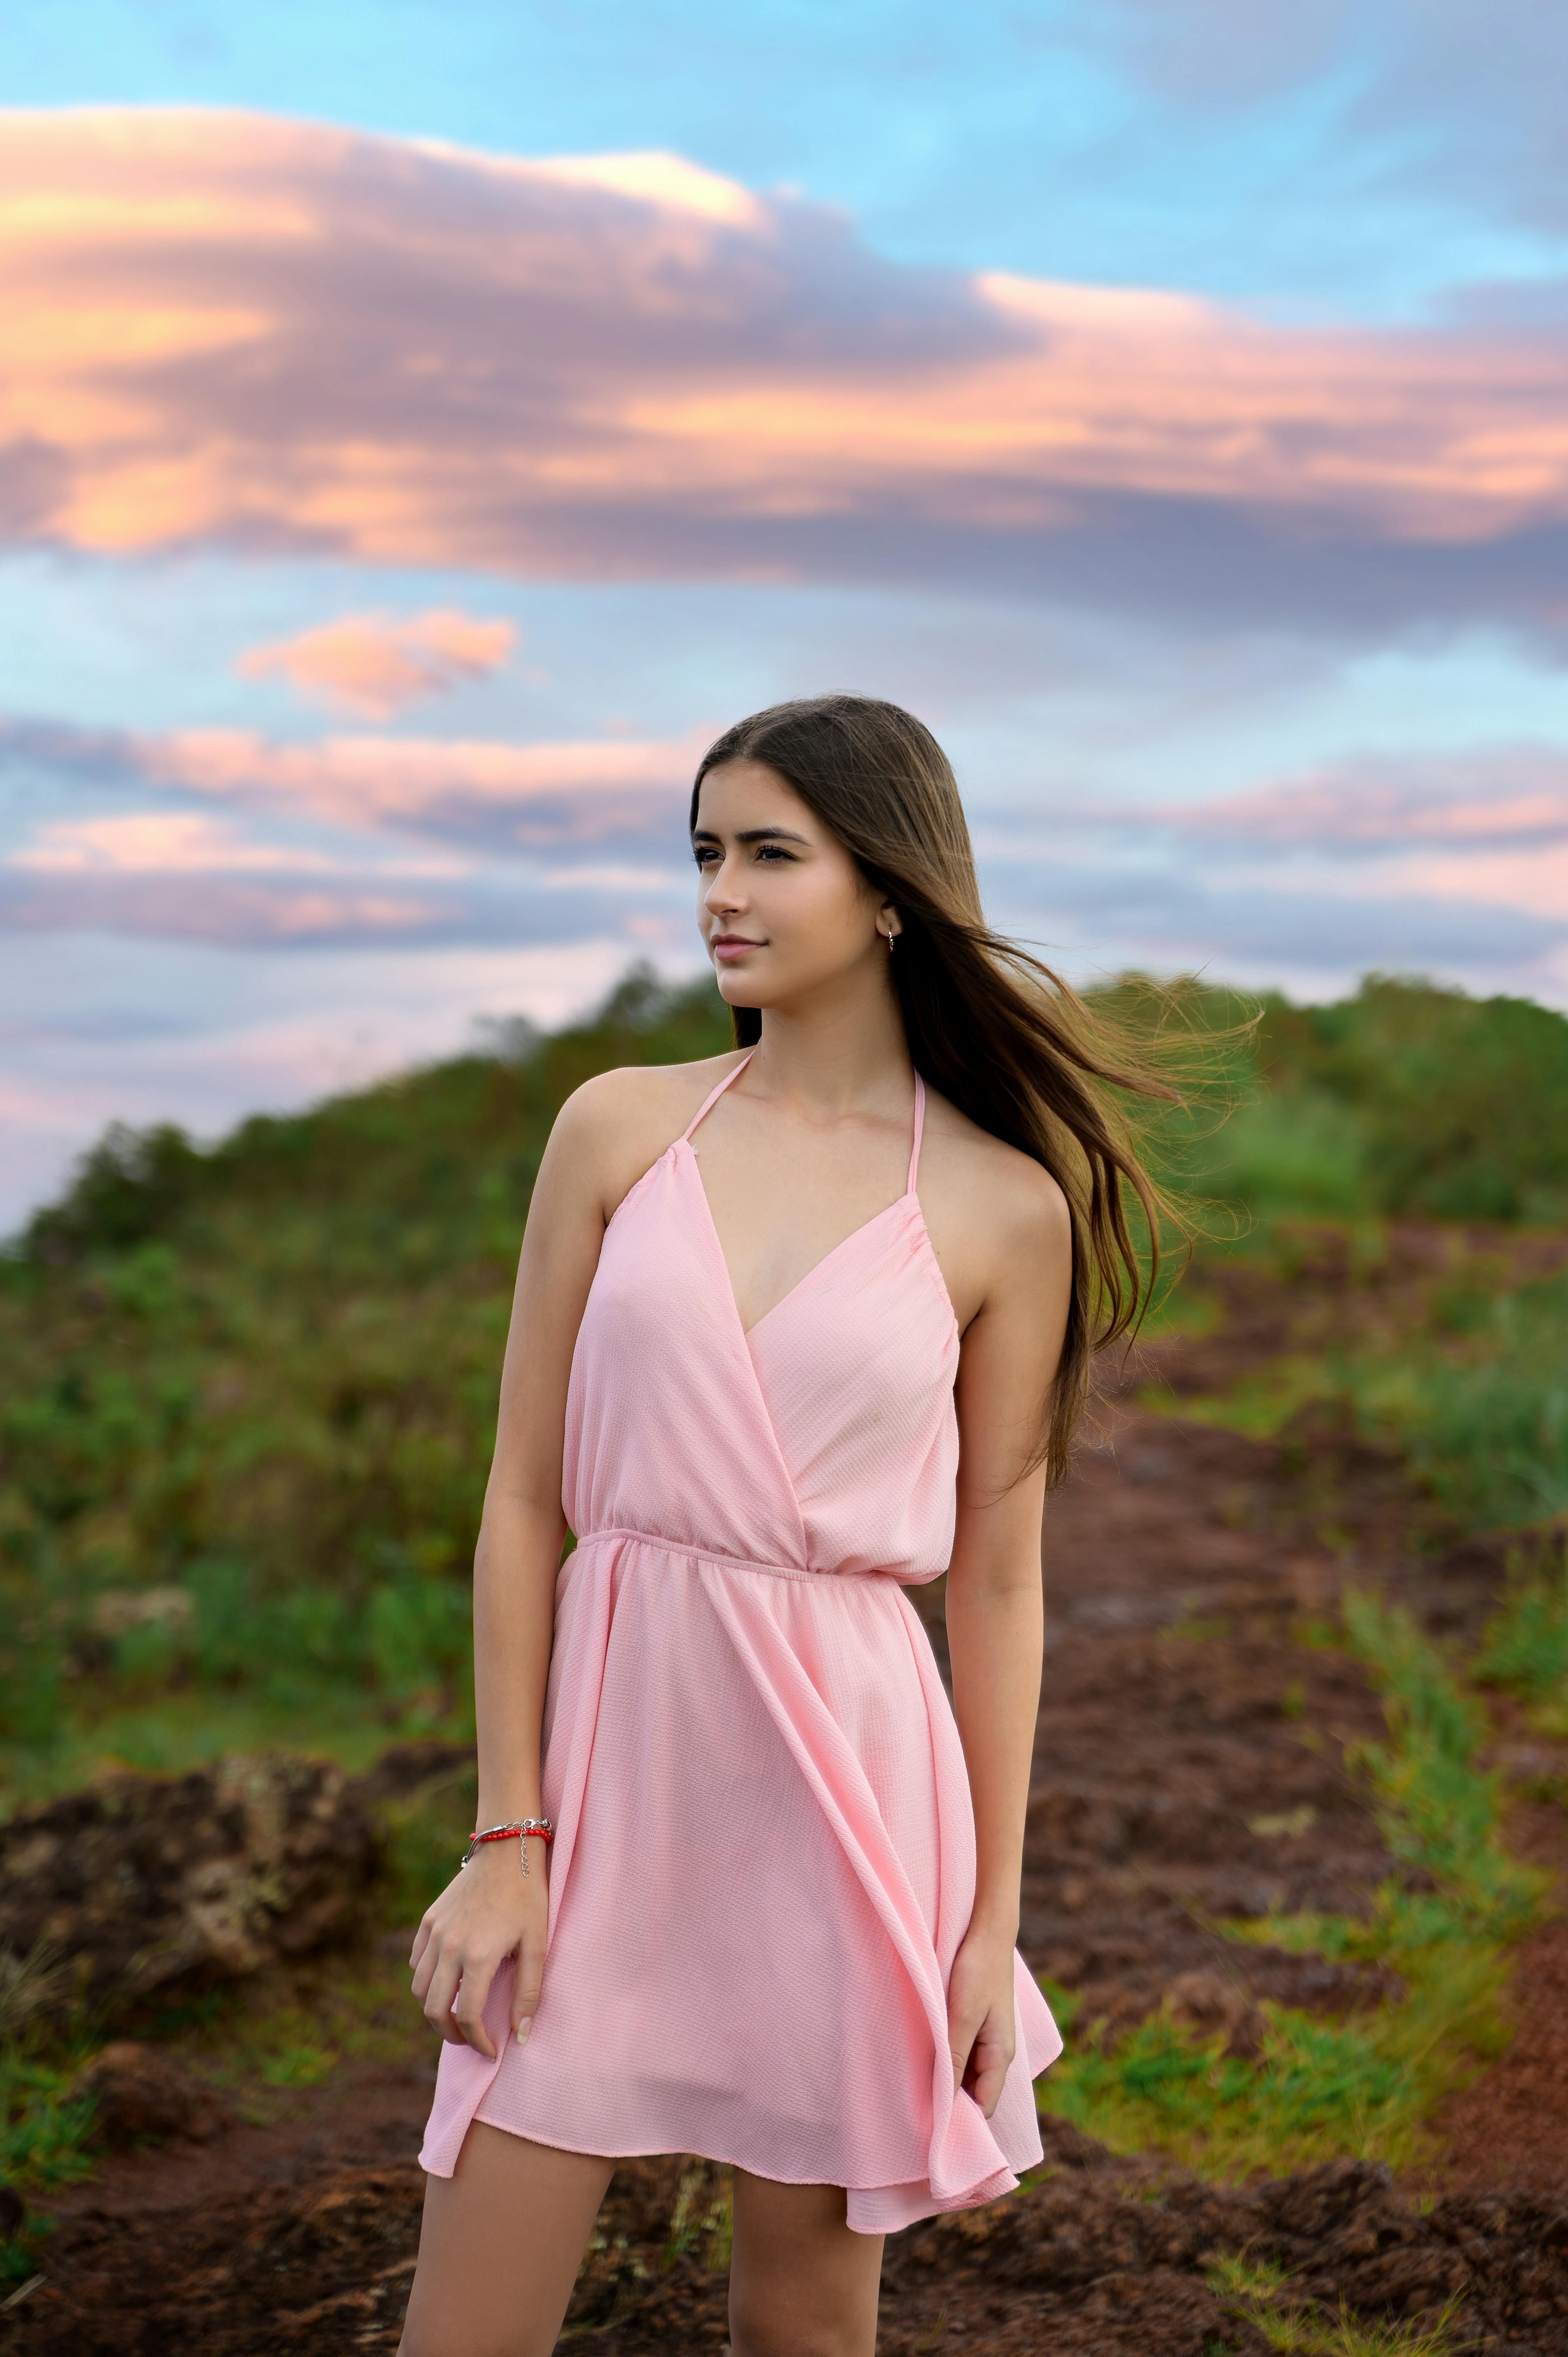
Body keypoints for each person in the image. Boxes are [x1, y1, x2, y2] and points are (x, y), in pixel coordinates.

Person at [399, 695, 1173, 2357]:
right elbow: (524, 1500)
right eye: (704, 854)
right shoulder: (619, 1127)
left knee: (810, 2333)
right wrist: (506, 1836)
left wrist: (986, 1925)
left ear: (886, 890)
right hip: (604, 1785)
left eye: (769, 852)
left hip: (846, 1785)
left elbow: (1002, 1584)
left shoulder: (999, 1206)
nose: (720, 895)